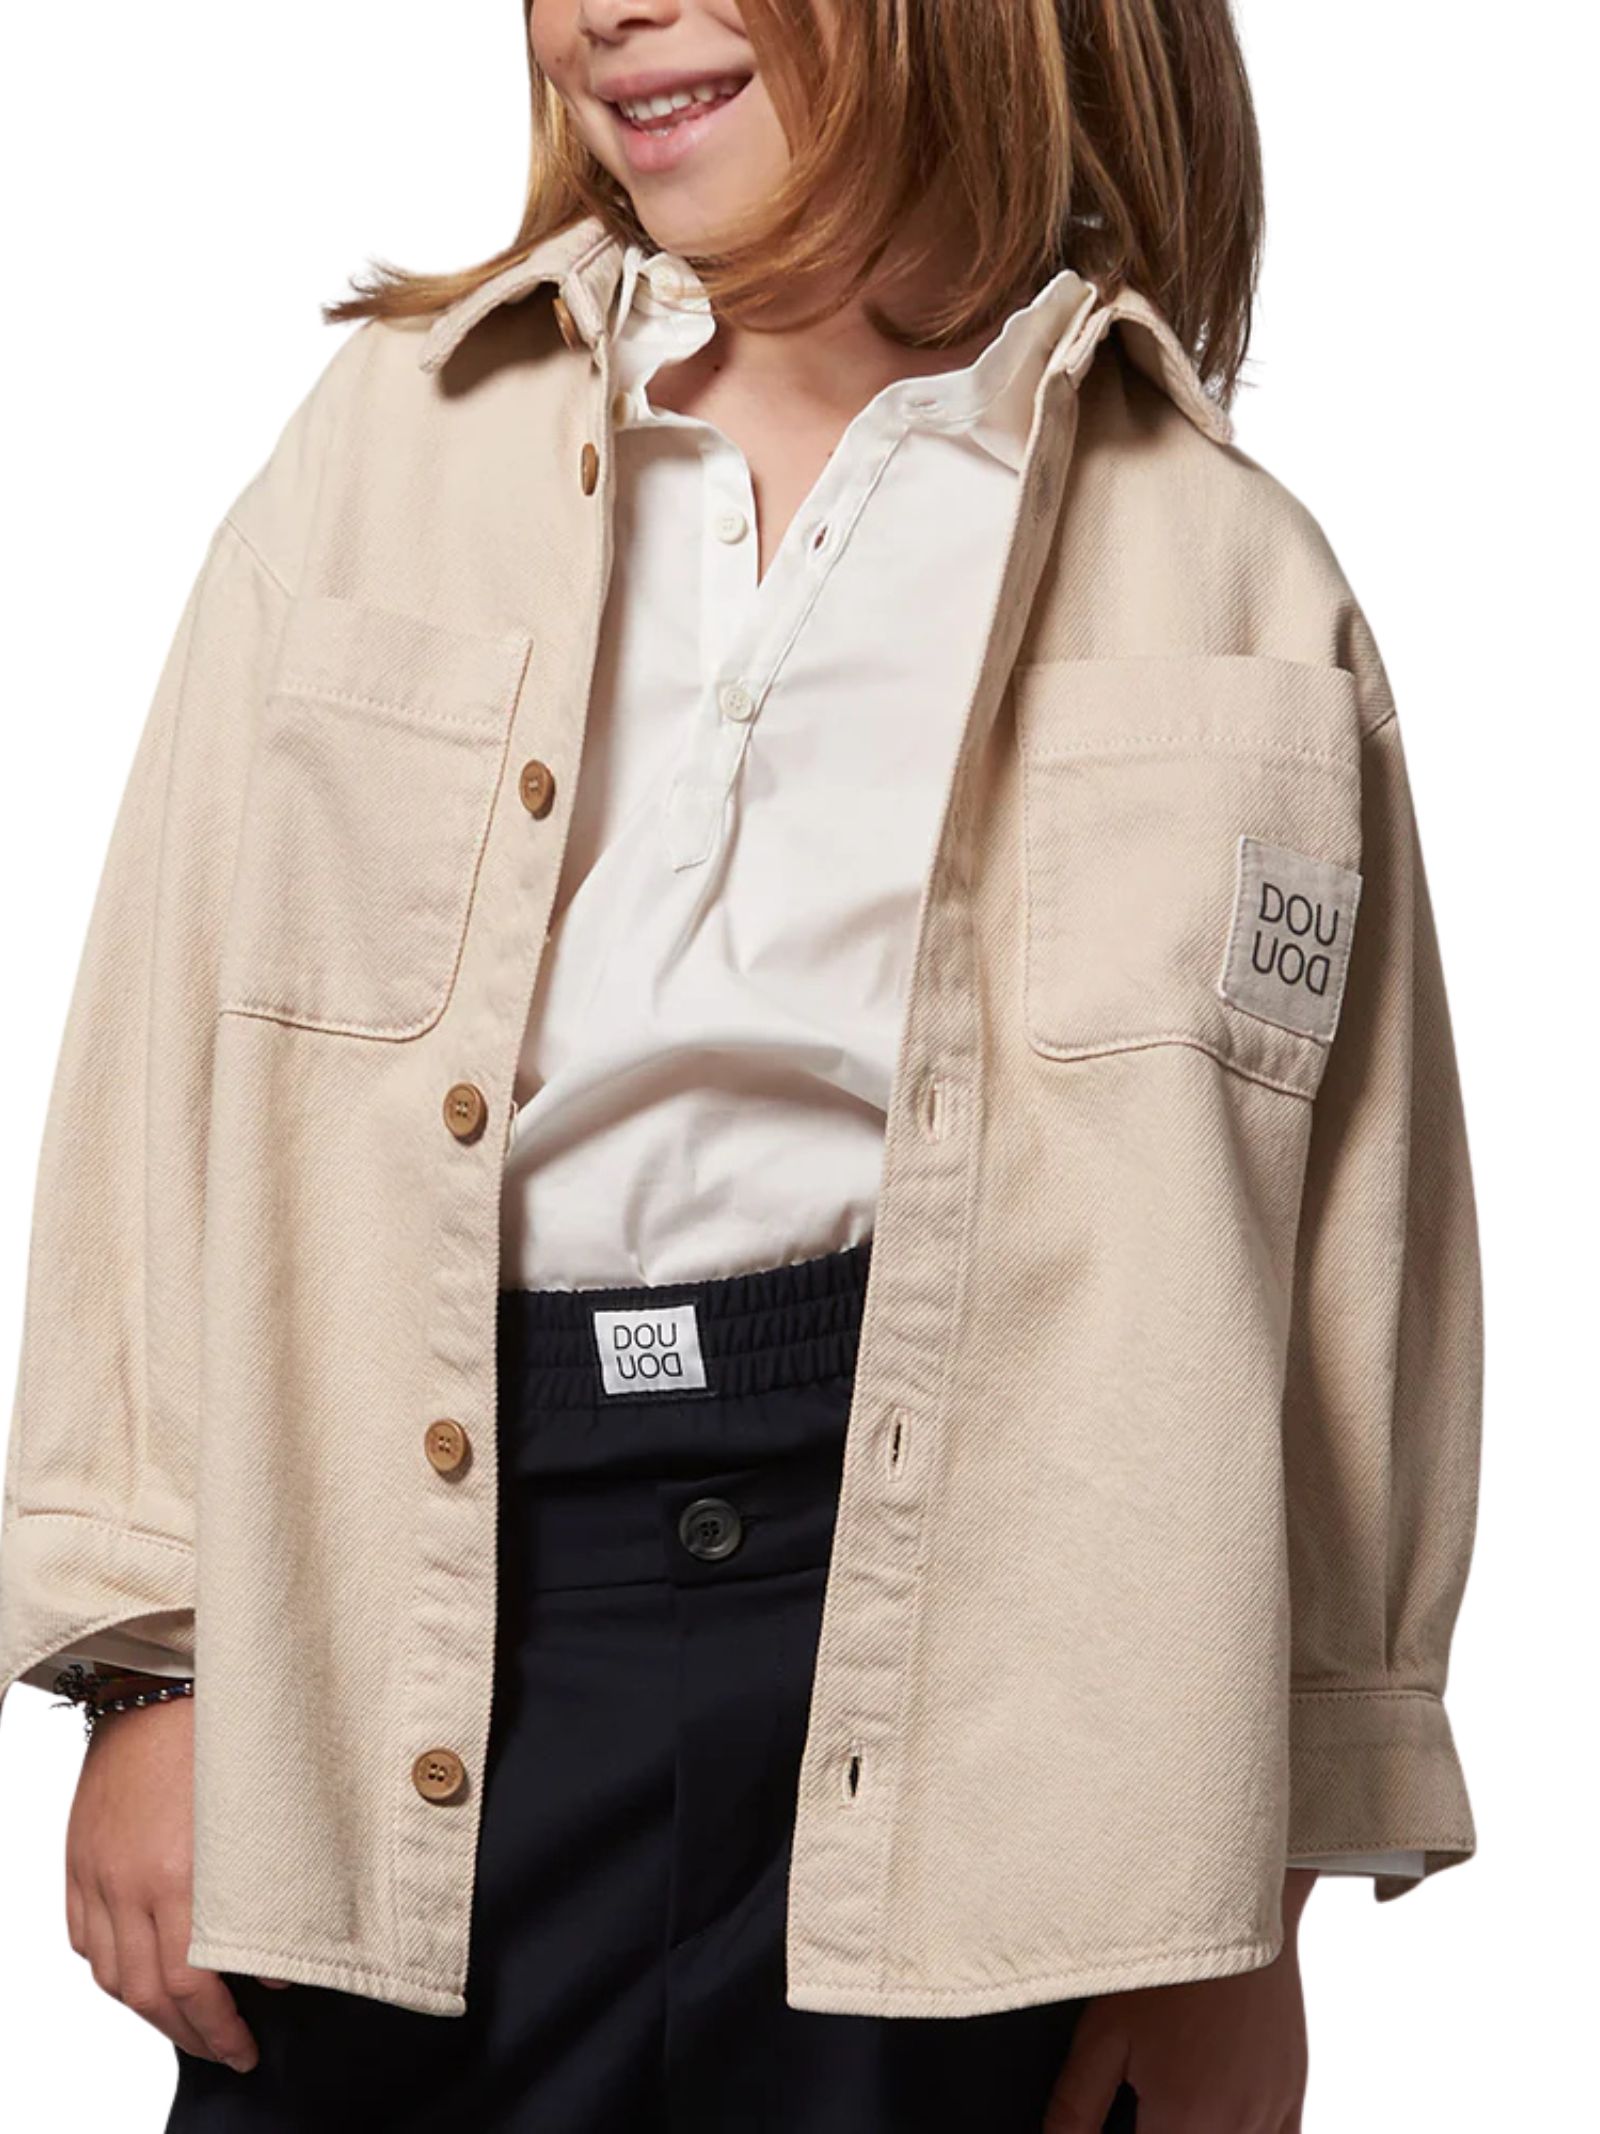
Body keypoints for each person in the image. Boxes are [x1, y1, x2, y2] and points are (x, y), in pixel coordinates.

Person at [0, 2, 1484, 2129]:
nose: (599, 10)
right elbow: (164, 1052)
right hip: (430, 1598)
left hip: (987, 1653)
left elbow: (1347, 1278)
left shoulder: (1229, 576)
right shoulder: (389, 449)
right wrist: (147, 1670)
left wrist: (1252, 1901)